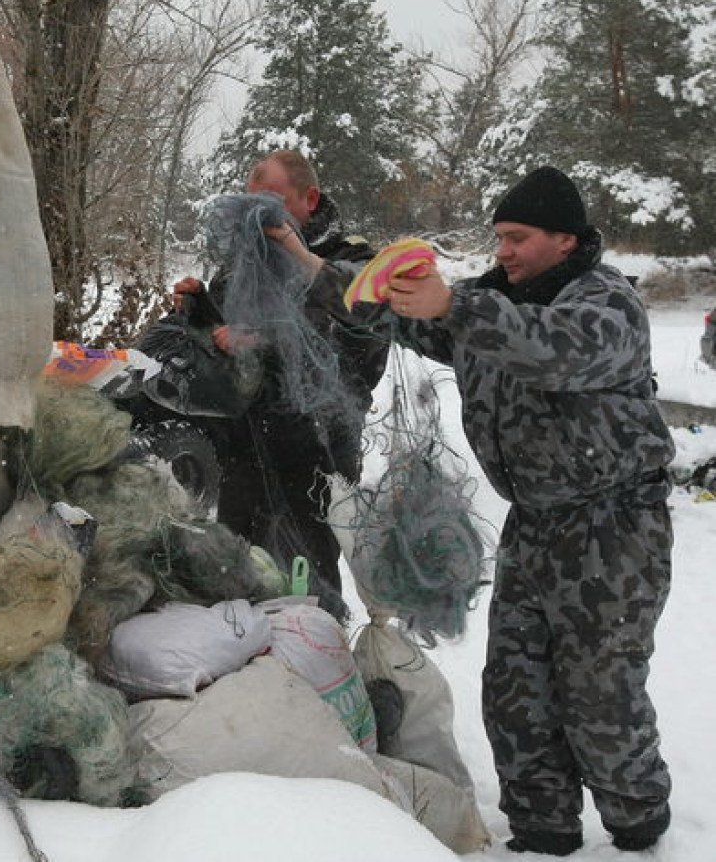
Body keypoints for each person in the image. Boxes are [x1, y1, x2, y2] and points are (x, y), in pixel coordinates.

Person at [284, 165, 673, 855]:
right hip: (537, 523)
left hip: (614, 526)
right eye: (498, 238)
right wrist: (312, 263)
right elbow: (397, 313)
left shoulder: (605, 304)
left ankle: (639, 823)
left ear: (566, 238)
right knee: (517, 685)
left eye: (518, 238)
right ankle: (542, 828)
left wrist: (454, 306)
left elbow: (547, 350)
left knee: (598, 688)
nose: (505, 251)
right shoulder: (496, 302)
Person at [172, 150, 388, 609]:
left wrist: (267, 340)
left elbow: (355, 357)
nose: (257, 215)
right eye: (249, 203)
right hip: (244, 452)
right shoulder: (243, 262)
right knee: (238, 580)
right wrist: (199, 311)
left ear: (308, 199)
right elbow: (227, 336)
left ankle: (317, 668)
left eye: (270, 201)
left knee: (304, 591)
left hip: (315, 457)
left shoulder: (346, 260)